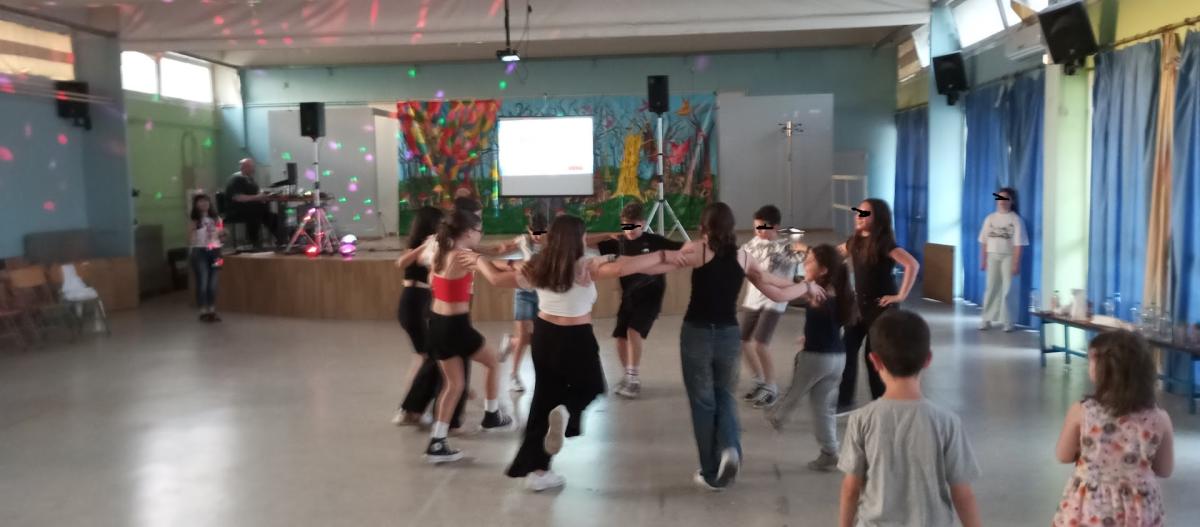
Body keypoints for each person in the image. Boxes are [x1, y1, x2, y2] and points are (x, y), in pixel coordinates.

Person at [468, 215, 685, 491]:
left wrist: (477, 260)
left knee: (542, 402)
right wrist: (666, 255)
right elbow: (627, 266)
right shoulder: (584, 266)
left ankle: (538, 471)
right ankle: (566, 410)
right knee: (591, 387)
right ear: (577, 239)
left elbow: (497, 279)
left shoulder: (539, 264)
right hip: (576, 336)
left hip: (545, 335)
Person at [664, 202, 816, 490]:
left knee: (703, 402)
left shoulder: (699, 250)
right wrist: (807, 287)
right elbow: (771, 283)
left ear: (704, 226)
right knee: (724, 395)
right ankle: (731, 448)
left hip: (698, 332)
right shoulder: (743, 255)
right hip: (729, 332)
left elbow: (662, 262)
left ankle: (711, 471)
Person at [837, 309, 981, 527]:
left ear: (874, 361)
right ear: (928, 359)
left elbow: (851, 489)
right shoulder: (947, 422)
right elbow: (962, 493)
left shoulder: (862, 419)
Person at [1051, 330, 1174, 526]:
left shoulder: (1082, 412)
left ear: (1104, 370)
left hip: (1090, 508)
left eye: (1091, 361)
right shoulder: (1160, 419)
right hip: (1139, 509)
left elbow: (1063, 455)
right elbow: (1165, 469)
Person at [420, 209, 513, 463]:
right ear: (469, 232)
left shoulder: (441, 253)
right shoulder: (463, 256)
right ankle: (492, 415)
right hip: (456, 326)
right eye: (479, 230)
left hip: (437, 323)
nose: (481, 235)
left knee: (454, 385)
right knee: (493, 362)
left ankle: (437, 441)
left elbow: (486, 262)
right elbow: (493, 273)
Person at [765, 244, 858, 472]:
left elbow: (780, 291)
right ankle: (830, 452)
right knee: (822, 408)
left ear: (824, 270)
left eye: (811, 260)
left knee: (795, 391)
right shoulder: (839, 291)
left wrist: (757, 275)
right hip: (837, 358)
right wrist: (809, 334)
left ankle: (777, 416)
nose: (805, 263)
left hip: (816, 358)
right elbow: (827, 323)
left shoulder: (815, 292)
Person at [391, 206, 475, 429]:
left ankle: (413, 408)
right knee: (430, 357)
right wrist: (427, 247)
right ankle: (410, 408)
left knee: (427, 356)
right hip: (417, 303)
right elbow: (404, 263)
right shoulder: (429, 244)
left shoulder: (437, 245)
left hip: (420, 302)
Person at [836, 198, 919, 413]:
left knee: (873, 357)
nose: (859, 216)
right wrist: (807, 251)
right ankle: (844, 399)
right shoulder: (854, 241)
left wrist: (900, 295)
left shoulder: (884, 244)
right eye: (858, 212)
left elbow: (912, 264)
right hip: (859, 307)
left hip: (881, 309)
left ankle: (881, 402)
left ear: (878, 218)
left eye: (865, 213)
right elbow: (834, 254)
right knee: (846, 350)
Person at [595, 201, 683, 399]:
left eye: (633, 226)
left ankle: (633, 380)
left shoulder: (655, 241)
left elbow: (682, 248)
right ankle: (628, 375)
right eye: (625, 226)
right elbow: (584, 241)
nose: (629, 230)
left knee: (633, 330)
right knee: (620, 337)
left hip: (651, 295)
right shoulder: (618, 242)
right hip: (629, 297)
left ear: (642, 223)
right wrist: (605, 235)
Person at [738, 205, 805, 408]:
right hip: (752, 299)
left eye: (763, 227)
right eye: (756, 227)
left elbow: (804, 267)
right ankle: (759, 381)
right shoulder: (750, 245)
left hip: (774, 300)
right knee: (742, 341)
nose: (758, 231)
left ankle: (771, 386)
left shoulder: (787, 247)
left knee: (761, 343)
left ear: (775, 227)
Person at [497, 211, 549, 393]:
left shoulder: (552, 243)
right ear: (528, 229)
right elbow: (500, 251)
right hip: (523, 293)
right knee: (524, 334)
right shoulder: (522, 240)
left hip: (543, 294)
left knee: (537, 338)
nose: (537, 236)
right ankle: (514, 376)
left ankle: (511, 342)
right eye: (534, 232)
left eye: (541, 232)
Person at [978, 187, 1028, 332]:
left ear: (1012, 201)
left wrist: (1016, 263)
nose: (1002, 201)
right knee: (991, 287)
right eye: (1000, 198)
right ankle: (986, 318)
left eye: (1006, 198)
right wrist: (983, 260)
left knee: (1008, 289)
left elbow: (1019, 244)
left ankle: (1008, 321)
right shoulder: (990, 218)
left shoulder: (1016, 220)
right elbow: (984, 241)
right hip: (992, 255)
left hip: (1008, 256)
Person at [224, 158, 282, 249]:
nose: (253, 169)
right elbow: (237, 197)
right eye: (251, 167)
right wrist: (257, 197)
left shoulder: (250, 179)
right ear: (243, 167)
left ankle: (281, 239)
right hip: (237, 211)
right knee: (257, 213)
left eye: (252, 167)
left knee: (272, 216)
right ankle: (254, 243)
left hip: (252, 209)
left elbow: (256, 192)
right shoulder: (236, 179)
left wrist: (263, 195)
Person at [188, 192, 224, 323]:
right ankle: (203, 311)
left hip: (216, 252)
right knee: (202, 282)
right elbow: (191, 238)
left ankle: (212, 310)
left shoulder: (217, 219)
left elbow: (222, 235)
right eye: (200, 201)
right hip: (200, 251)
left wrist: (222, 234)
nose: (204, 203)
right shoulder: (194, 220)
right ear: (196, 205)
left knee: (213, 283)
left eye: (206, 201)